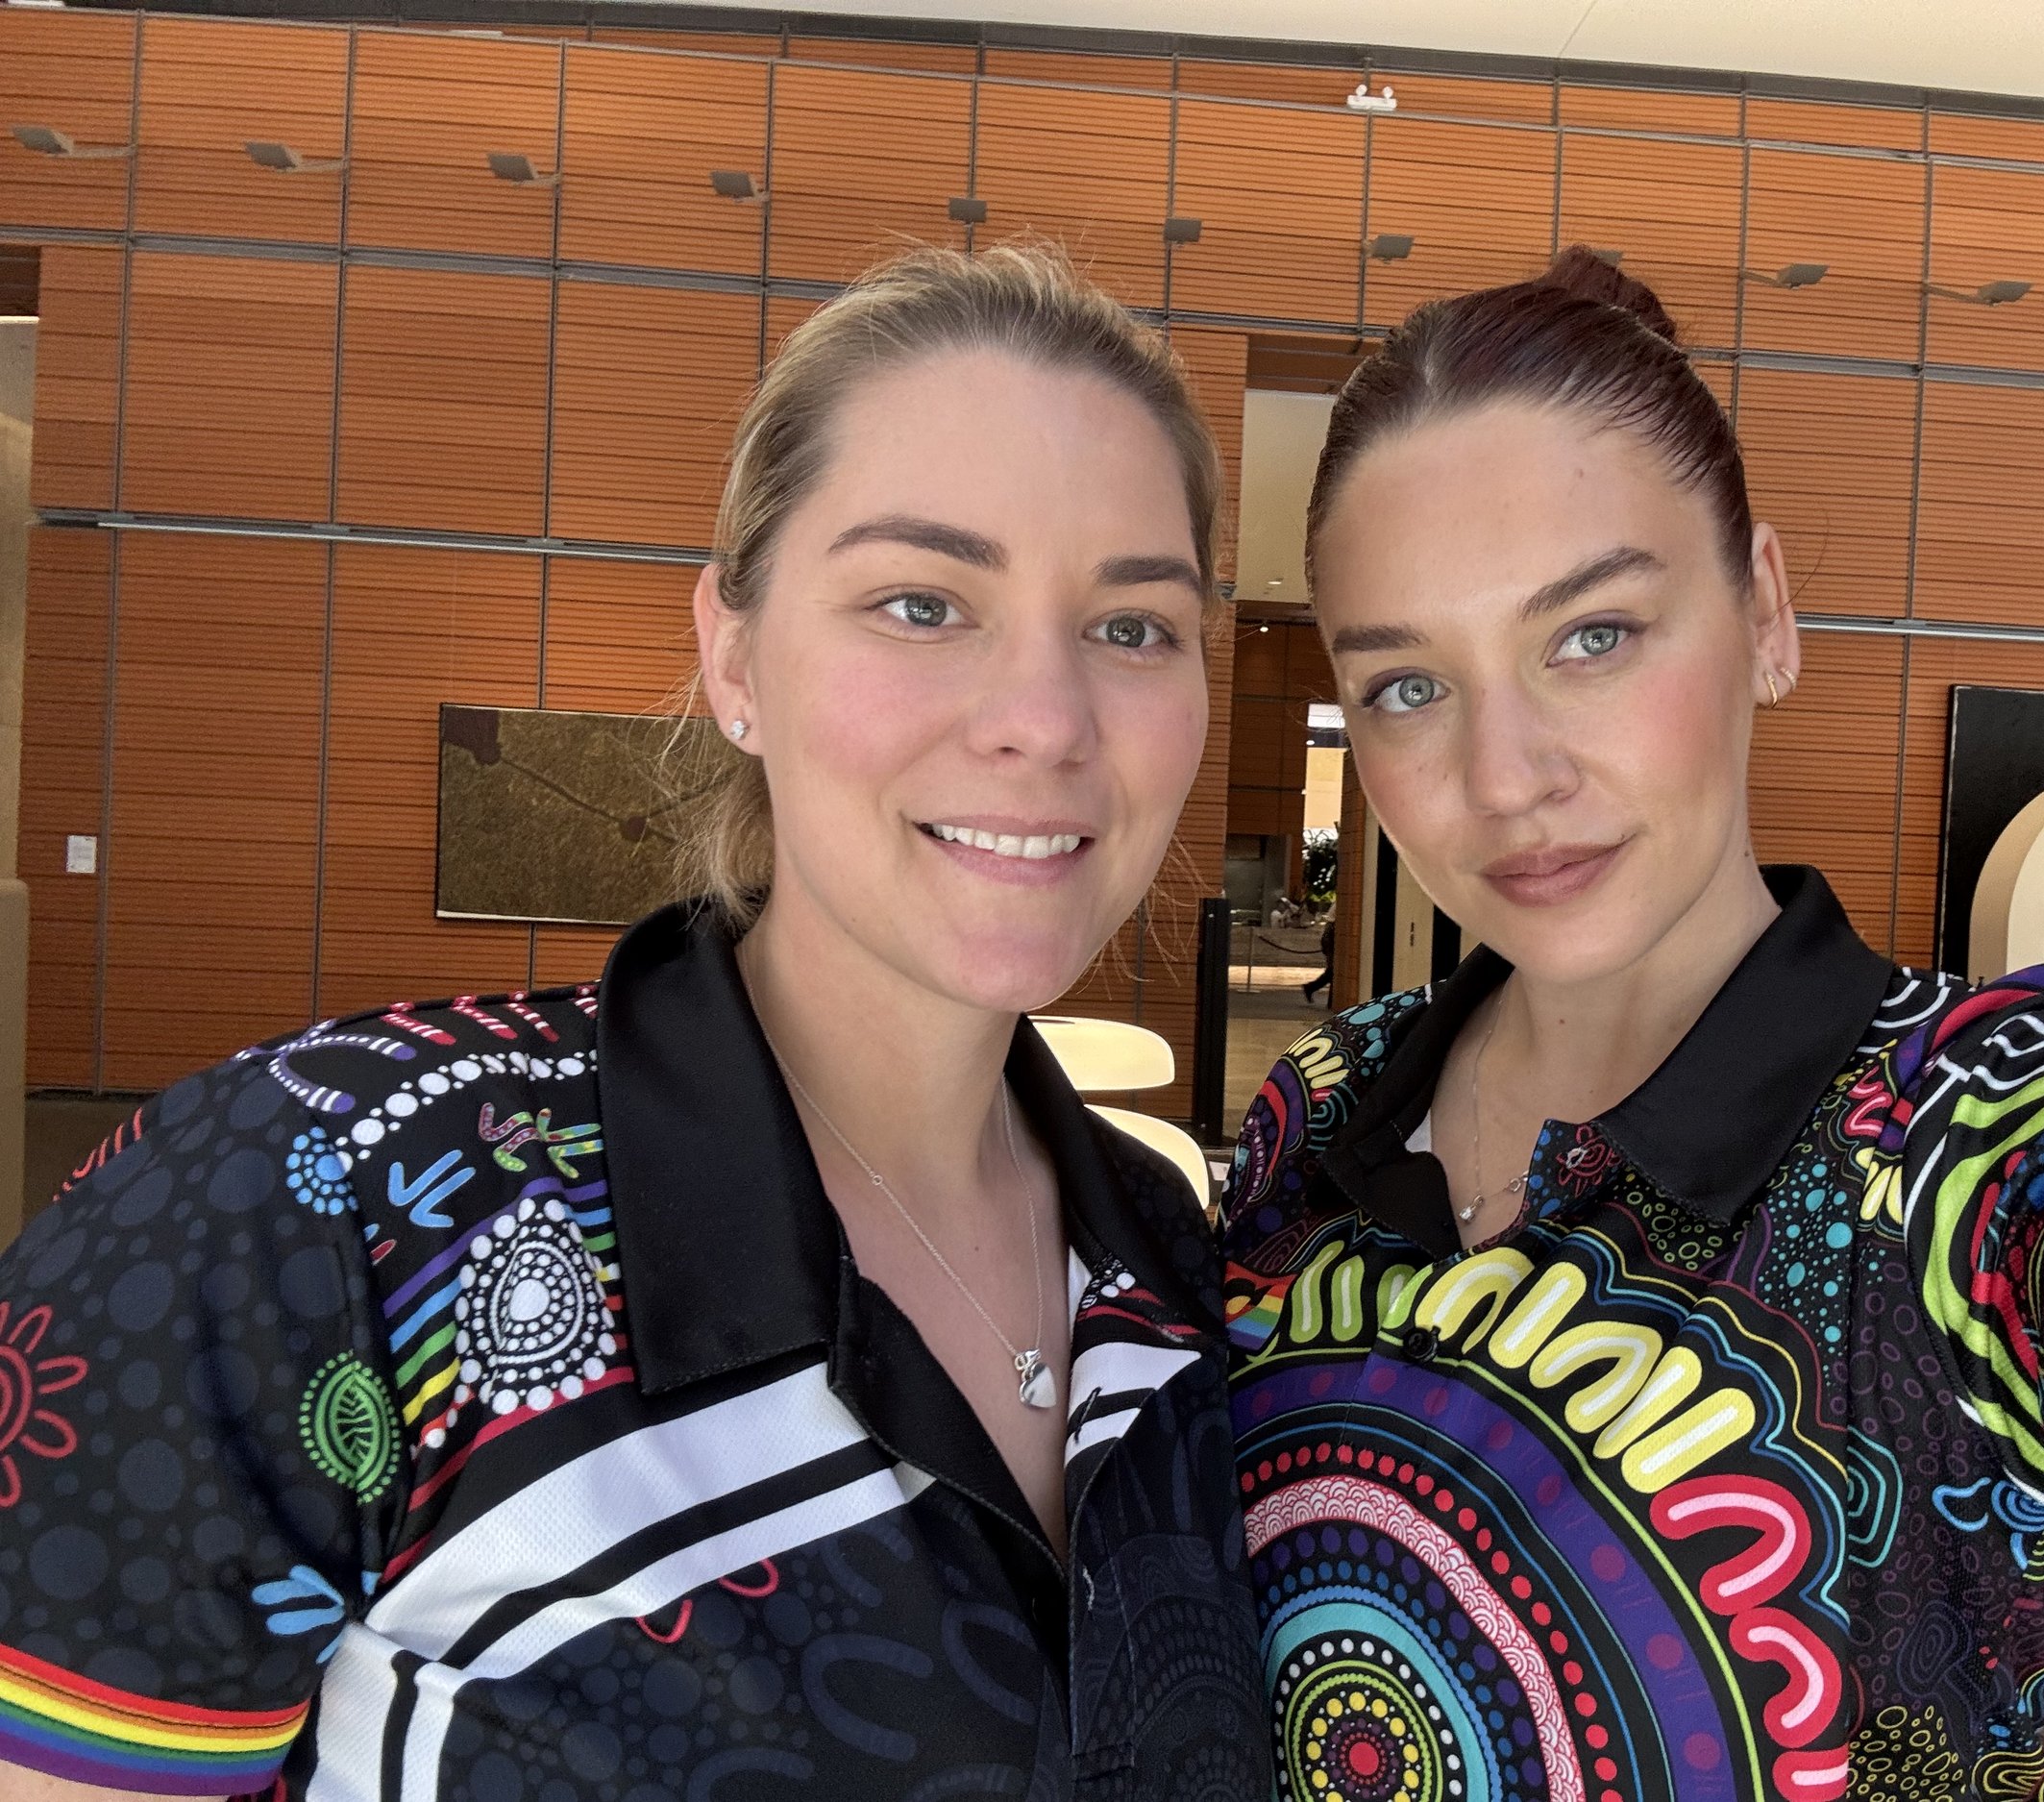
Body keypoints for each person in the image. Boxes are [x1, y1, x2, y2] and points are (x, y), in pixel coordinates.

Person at [0, 245, 1270, 1801]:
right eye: (923, 601)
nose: (1047, 718)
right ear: (737, 655)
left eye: (1133, 626)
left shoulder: (1185, 1279)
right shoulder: (313, 1210)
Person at [1220, 246, 2044, 1802]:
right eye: (1406, 688)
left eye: (1592, 636)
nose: (1505, 778)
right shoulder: (1326, 1099)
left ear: (1764, 614)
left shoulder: (1965, 1138)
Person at [1299, 919, 1336, 1006]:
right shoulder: (1332, 926)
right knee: (1331, 973)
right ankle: (1310, 988)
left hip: (1331, 945)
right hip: (1332, 946)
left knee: (1331, 973)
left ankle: (1310, 988)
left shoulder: (1330, 926)